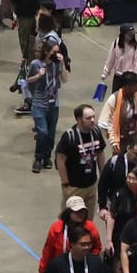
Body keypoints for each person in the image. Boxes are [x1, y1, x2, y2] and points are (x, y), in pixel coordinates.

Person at [54, 105, 108, 216]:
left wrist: (103, 174)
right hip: (75, 187)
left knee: (88, 220)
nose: (92, 120)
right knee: (70, 220)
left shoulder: (96, 132)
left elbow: (100, 153)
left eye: (93, 117)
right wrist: (65, 183)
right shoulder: (69, 137)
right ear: (79, 120)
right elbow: (60, 160)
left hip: (91, 185)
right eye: (88, 118)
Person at [24, 38, 66, 175]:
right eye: (54, 52)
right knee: (43, 132)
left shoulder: (56, 64)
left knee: (51, 134)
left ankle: (47, 156)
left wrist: (63, 63)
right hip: (39, 103)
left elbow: (64, 80)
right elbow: (27, 81)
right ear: (47, 51)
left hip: (53, 104)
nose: (56, 54)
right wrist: (38, 76)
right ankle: (38, 157)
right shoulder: (36, 64)